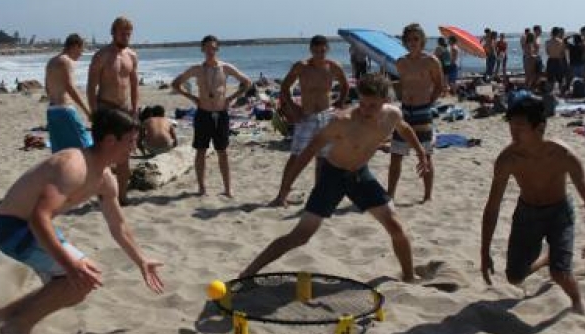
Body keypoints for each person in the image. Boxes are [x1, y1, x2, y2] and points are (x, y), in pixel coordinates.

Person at [0, 108, 164, 334]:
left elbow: (119, 226)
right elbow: (39, 218)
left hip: (33, 227)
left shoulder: (106, 179)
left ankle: (2, 316)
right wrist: (71, 269)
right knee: (78, 280)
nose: (133, 149)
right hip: (13, 229)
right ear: (109, 141)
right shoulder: (74, 166)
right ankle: (16, 329)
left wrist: (141, 260)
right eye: (129, 142)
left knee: (81, 278)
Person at [241, 74, 429, 282]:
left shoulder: (393, 114)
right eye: (363, 104)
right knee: (300, 236)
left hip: (360, 175)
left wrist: (420, 153)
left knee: (396, 227)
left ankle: (409, 276)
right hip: (333, 176)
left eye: (372, 106)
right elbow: (308, 152)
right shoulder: (342, 122)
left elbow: (405, 129)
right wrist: (286, 187)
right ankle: (249, 271)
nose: (365, 110)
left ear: (386, 101)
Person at [480, 95, 585, 314]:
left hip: (559, 214)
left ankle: (577, 301)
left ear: (539, 127)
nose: (513, 133)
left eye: (520, 127)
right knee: (514, 276)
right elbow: (492, 207)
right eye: (511, 126)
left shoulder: (562, 155)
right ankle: (546, 260)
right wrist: (484, 251)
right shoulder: (507, 159)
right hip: (527, 214)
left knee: (560, 273)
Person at [269, 35, 349, 206]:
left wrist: (340, 102)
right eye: (316, 50)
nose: (320, 54)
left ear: (327, 49)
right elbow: (284, 87)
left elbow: (345, 85)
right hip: (306, 117)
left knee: (322, 158)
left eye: (323, 50)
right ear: (311, 50)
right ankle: (281, 196)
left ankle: (318, 196)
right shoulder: (301, 66)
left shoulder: (333, 66)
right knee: (296, 157)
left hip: (326, 116)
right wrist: (293, 107)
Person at [171, 35, 251, 196]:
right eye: (207, 48)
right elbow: (175, 83)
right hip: (203, 114)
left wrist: (231, 98)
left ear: (217, 49)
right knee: (201, 150)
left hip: (221, 113)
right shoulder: (197, 69)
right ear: (202, 49)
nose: (210, 51)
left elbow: (247, 82)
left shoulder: (225, 67)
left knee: (223, 151)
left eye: (213, 48)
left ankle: (228, 189)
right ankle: (202, 188)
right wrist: (192, 98)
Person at [388, 24, 444, 202]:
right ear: (404, 41)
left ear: (422, 40)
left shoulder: (431, 61)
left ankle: (427, 196)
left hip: (422, 111)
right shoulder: (401, 62)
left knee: (425, 155)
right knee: (396, 154)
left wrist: (428, 104)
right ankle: (390, 195)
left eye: (416, 39)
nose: (412, 43)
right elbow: (401, 85)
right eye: (409, 39)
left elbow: (439, 85)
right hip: (404, 111)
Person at [87, 17, 139, 205]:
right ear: (113, 32)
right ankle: (104, 196)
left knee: (124, 157)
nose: (126, 36)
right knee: (103, 156)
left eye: (129, 33)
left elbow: (134, 86)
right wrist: (93, 112)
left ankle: (122, 196)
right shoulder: (101, 56)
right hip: (105, 108)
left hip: (124, 110)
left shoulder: (132, 56)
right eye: (123, 32)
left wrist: (135, 110)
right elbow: (91, 86)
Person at [46, 34, 93, 153]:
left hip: (52, 110)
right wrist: (87, 111)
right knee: (85, 147)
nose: (81, 53)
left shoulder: (51, 61)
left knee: (60, 151)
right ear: (75, 46)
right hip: (65, 110)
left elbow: (47, 88)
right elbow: (70, 87)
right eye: (81, 49)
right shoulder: (66, 61)